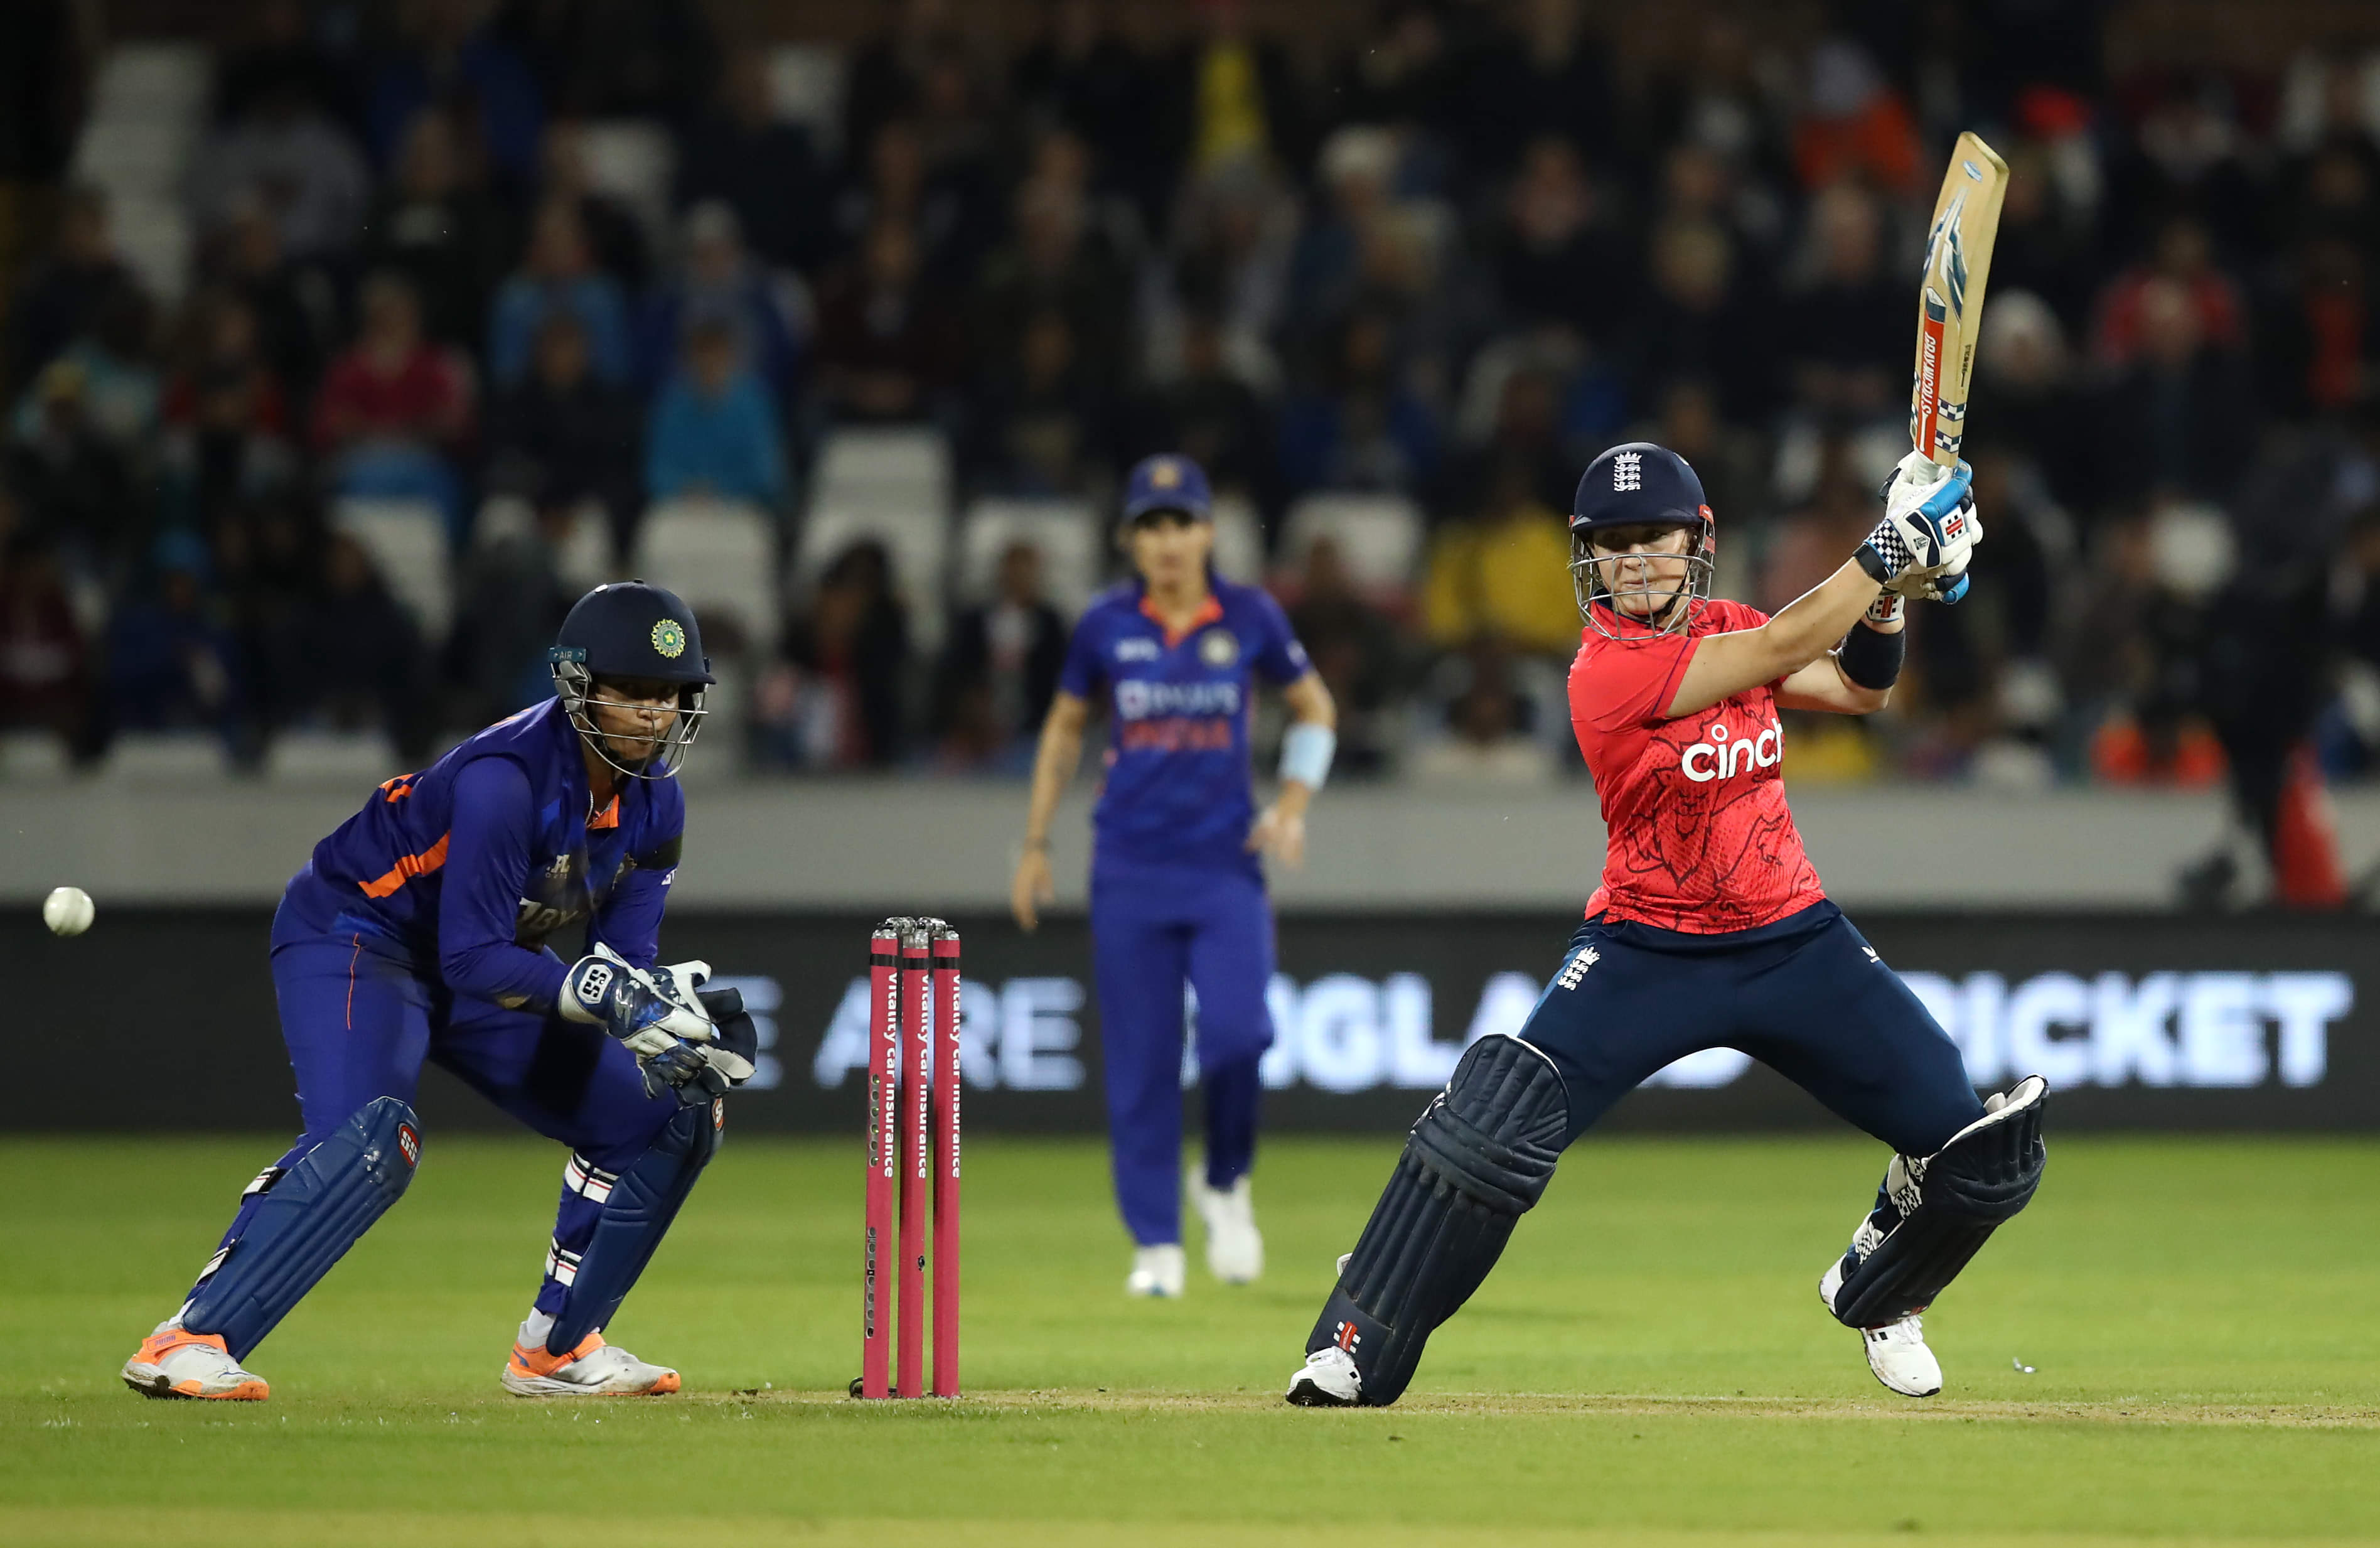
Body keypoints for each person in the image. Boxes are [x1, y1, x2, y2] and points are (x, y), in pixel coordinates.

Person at [1284, 442, 2048, 1407]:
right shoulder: (1605, 673)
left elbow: (1861, 689)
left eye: (1656, 540)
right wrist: (1886, 551)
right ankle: (1358, 1333)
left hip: (1792, 939)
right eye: (1614, 545)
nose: (1636, 561)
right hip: (1644, 949)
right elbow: (1776, 652)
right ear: (1588, 560)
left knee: (1977, 1149)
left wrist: (1894, 594)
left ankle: (1881, 1288)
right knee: (1488, 1133)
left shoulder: (1731, 625)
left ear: (1698, 545)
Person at [120, 582, 760, 1402]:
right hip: (357, 931)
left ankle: (557, 1349)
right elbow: (471, 959)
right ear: (577, 685)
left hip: (483, 958)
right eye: (632, 690)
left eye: (669, 695)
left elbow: (620, 959)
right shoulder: (507, 778)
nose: (653, 714)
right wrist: (607, 995)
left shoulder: (657, 802)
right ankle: (190, 1337)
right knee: (372, 1138)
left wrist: (665, 1014)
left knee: (672, 1109)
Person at [1010, 453, 1337, 1297]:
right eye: (1150, 526)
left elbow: (1315, 708)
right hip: (1128, 867)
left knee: (1240, 1034)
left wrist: (1294, 803)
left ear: (1208, 531)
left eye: (1180, 522)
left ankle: (1225, 1181)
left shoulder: (1252, 614)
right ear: (1130, 538)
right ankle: (1156, 1243)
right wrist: (1037, 841)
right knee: (1143, 1061)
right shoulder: (1105, 624)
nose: (1166, 541)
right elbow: (1063, 730)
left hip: (1227, 864)